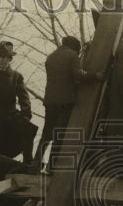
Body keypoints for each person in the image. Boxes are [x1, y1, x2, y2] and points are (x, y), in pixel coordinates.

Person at [36, 35, 102, 167]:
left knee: (46, 134)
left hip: (49, 101)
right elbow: (77, 75)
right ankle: (51, 166)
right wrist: (95, 75)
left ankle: (35, 164)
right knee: (59, 135)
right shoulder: (72, 56)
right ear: (75, 47)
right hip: (65, 102)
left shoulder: (51, 56)